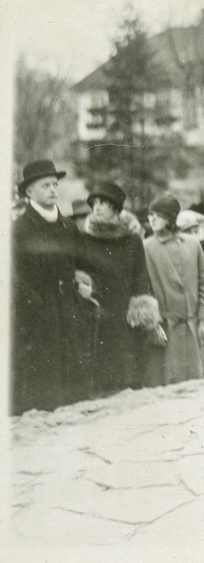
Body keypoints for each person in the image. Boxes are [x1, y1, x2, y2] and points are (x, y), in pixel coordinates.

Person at [11, 160, 91, 413]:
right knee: (43, 387)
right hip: (37, 318)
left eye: (55, 184)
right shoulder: (18, 229)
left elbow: (83, 264)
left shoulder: (68, 226)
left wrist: (84, 283)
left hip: (69, 311)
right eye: (45, 185)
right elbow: (13, 277)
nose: (53, 190)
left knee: (74, 385)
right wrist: (34, 303)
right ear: (28, 192)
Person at [76, 180, 159, 395]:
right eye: (95, 203)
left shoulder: (132, 241)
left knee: (127, 383)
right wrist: (87, 286)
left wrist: (144, 315)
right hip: (96, 317)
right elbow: (79, 273)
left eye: (103, 203)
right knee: (99, 385)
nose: (97, 207)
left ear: (116, 208)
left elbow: (141, 279)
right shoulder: (85, 239)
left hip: (125, 320)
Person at [142, 194, 204, 385]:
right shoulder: (146, 248)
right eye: (150, 215)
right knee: (168, 388)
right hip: (166, 331)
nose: (152, 219)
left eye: (158, 215)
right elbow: (144, 290)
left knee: (195, 387)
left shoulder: (193, 244)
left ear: (171, 218)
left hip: (193, 327)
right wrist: (153, 325)